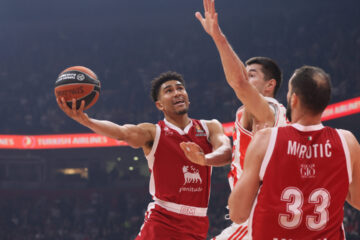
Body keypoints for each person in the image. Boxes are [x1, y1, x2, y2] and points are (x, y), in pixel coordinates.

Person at [56, 71, 232, 240]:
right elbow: (121, 132)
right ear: (160, 104)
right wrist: (87, 121)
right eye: (169, 91)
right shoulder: (153, 132)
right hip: (164, 220)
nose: (177, 92)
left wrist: (204, 159)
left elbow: (226, 151)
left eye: (180, 88)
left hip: (198, 221)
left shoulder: (210, 127)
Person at [228, 66, 360, 239]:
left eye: (289, 93)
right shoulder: (347, 142)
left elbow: (238, 214)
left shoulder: (265, 140)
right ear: (325, 101)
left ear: (294, 99)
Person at [189, 0, 287, 239]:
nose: (244, 76)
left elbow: (238, 83)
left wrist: (217, 37)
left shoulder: (267, 109)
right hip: (262, 212)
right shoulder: (270, 115)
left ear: (269, 85)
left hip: (257, 215)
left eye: (251, 74)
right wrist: (205, 159)